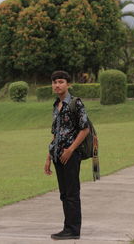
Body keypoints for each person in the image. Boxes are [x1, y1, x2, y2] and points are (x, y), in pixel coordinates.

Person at [44, 70, 90, 240]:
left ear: (68, 84)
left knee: (72, 193)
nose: (57, 85)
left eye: (61, 81)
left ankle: (73, 229)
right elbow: (55, 133)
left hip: (71, 155)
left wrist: (70, 150)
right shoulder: (56, 105)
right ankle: (67, 228)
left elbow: (85, 129)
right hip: (57, 156)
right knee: (64, 193)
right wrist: (48, 158)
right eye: (55, 82)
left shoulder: (76, 103)